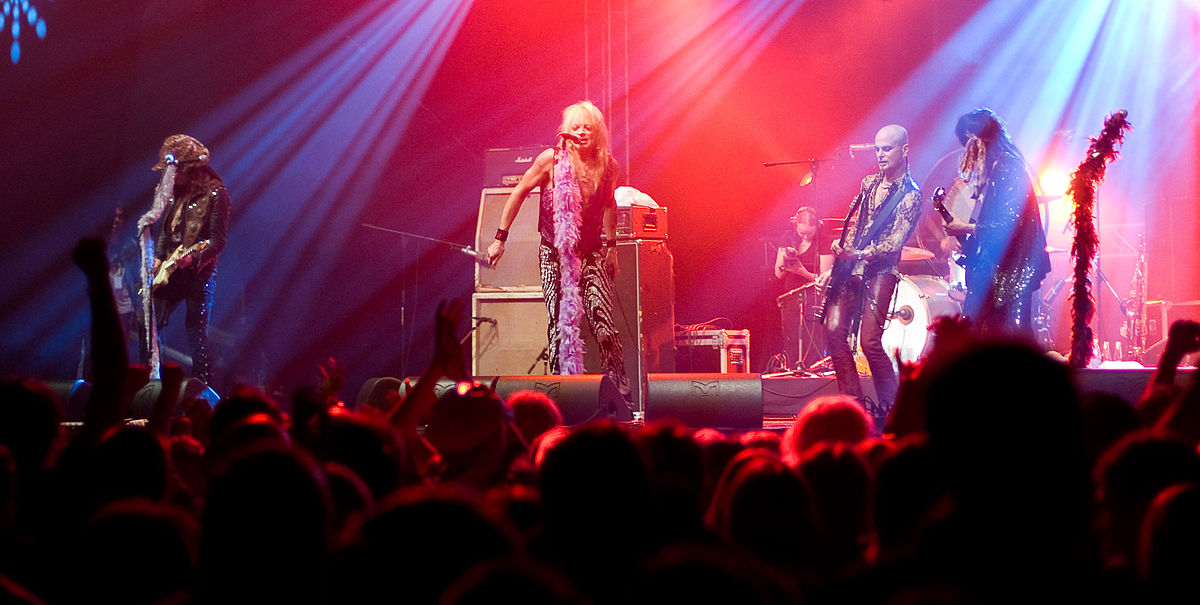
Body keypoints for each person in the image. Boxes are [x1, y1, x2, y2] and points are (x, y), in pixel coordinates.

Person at [485, 101, 631, 404]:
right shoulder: (551, 160)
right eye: (575, 127)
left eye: (587, 127)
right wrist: (501, 238)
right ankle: (562, 396)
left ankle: (620, 397)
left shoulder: (608, 165)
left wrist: (612, 248)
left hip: (590, 251)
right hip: (555, 253)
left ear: (598, 133)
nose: (581, 133)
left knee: (603, 324)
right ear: (566, 130)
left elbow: (609, 205)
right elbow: (519, 191)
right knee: (559, 325)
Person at [818, 124, 921, 412]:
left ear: (904, 150)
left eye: (886, 148)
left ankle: (894, 408)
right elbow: (856, 227)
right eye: (877, 149)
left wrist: (859, 254)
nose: (880, 154)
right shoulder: (868, 184)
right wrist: (840, 259)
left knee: (870, 342)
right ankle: (852, 405)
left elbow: (894, 243)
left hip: (881, 271)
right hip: (851, 268)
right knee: (833, 329)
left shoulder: (911, 195)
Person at [943, 108, 1050, 338]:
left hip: (1014, 268)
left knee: (1014, 333)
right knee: (980, 332)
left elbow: (1009, 224)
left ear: (978, 140)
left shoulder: (1009, 169)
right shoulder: (994, 170)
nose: (966, 153)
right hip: (995, 267)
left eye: (967, 144)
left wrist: (968, 228)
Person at [137, 134, 231, 384]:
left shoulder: (215, 193)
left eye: (175, 171)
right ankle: (149, 381)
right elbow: (166, 232)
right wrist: (157, 258)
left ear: (189, 169)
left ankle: (201, 388)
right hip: (171, 269)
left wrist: (192, 259)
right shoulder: (173, 192)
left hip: (199, 273)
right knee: (147, 321)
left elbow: (217, 240)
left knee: (195, 332)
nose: (171, 177)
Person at [774, 206, 833, 370]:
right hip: (791, 298)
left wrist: (802, 272)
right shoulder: (788, 238)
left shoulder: (825, 241)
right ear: (795, 227)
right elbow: (778, 274)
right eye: (802, 233)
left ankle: (814, 372)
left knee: (813, 343)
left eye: (809, 232)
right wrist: (785, 261)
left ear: (817, 227)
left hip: (814, 299)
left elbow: (824, 279)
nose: (806, 236)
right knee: (792, 340)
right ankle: (792, 371)